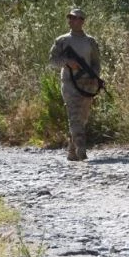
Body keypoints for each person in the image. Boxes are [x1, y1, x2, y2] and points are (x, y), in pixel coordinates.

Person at [48, 8, 102, 161]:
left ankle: (72, 151)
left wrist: (95, 77)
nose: (71, 20)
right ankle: (81, 150)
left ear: (82, 21)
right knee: (74, 116)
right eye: (70, 17)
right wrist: (67, 62)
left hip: (87, 84)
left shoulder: (90, 41)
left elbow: (96, 63)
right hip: (70, 84)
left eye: (75, 18)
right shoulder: (62, 40)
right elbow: (52, 60)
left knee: (83, 118)